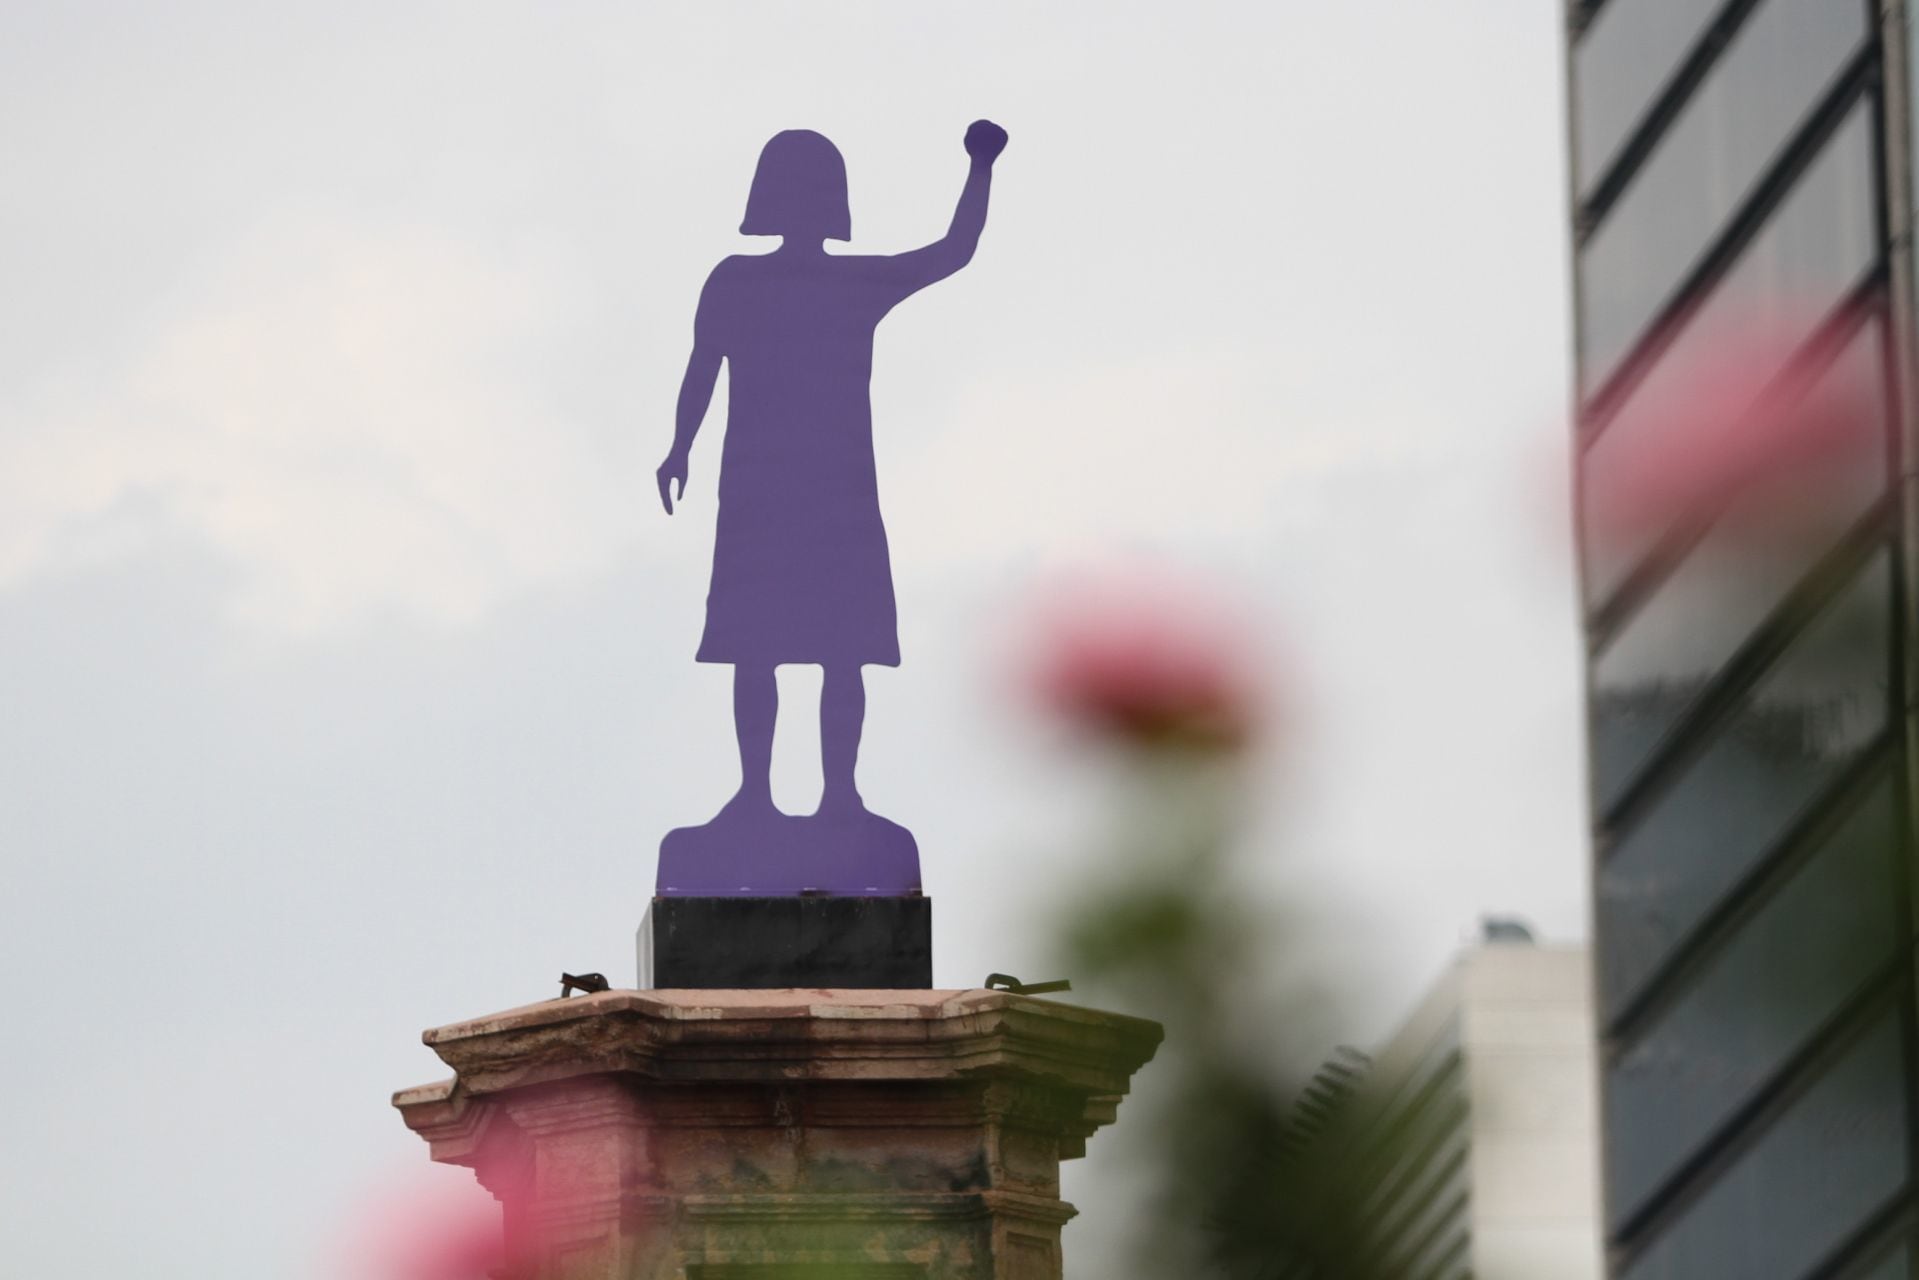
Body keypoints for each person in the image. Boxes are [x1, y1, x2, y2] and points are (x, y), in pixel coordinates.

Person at [656, 120, 1007, 882]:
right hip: (763, 488)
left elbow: (952, 251)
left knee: (837, 651)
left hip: (833, 491)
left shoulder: (845, 284)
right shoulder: (738, 281)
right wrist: (678, 445)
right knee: (759, 649)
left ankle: (838, 797)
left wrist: (980, 168)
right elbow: (702, 369)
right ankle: (756, 795)